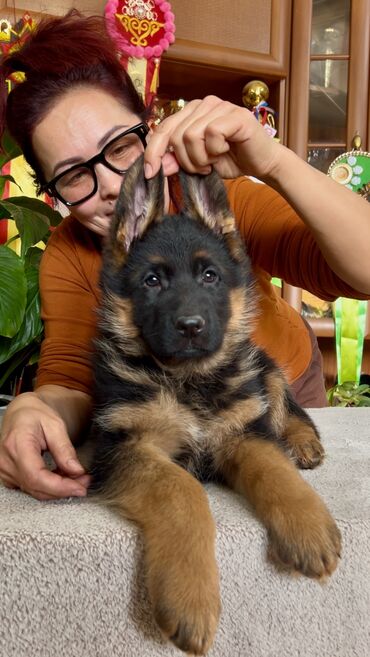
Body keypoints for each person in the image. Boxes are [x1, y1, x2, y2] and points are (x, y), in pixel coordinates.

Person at [0, 10, 369, 502]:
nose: (111, 186)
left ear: (148, 129)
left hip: (278, 385)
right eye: (73, 176)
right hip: (165, 409)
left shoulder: (222, 203)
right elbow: (71, 381)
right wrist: (33, 408)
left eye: (121, 147)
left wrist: (274, 162)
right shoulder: (68, 254)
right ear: (52, 189)